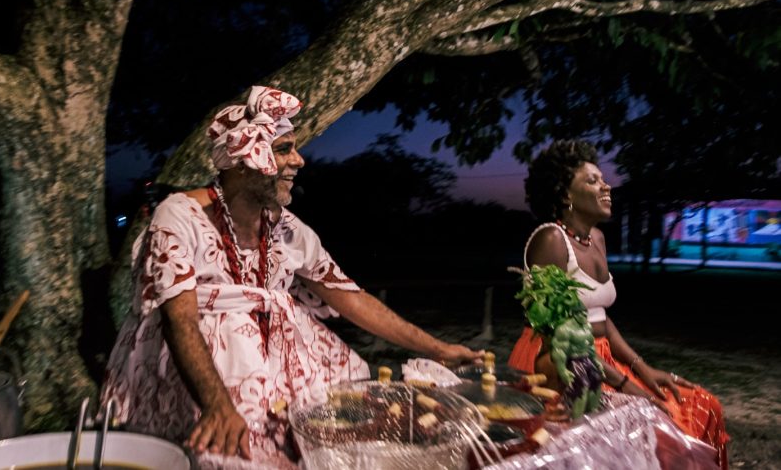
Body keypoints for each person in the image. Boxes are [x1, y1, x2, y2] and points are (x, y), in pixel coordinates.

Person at [101, 86, 484, 469]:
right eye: (283, 149)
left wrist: (437, 348)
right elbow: (180, 319)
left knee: (343, 436)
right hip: (206, 378)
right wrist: (217, 406)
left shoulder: (286, 228)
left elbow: (351, 298)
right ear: (241, 161)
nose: (298, 161)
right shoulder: (179, 216)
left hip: (278, 364)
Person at [507, 139, 729, 468]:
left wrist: (643, 369)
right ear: (566, 195)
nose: (606, 186)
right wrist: (630, 388)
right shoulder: (550, 240)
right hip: (563, 364)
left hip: (602, 359)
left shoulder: (597, 238)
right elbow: (564, 341)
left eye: (603, 179)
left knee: (704, 404)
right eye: (592, 180)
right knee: (661, 428)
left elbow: (600, 317)